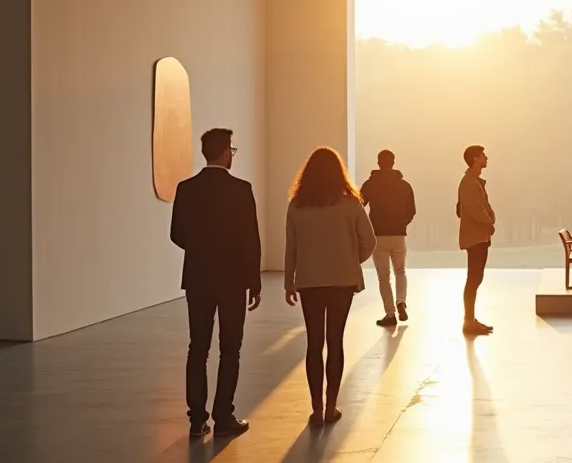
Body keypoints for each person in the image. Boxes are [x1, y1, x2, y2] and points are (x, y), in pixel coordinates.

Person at [170, 128, 262, 439]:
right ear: (225, 153)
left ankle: (197, 419)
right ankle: (224, 416)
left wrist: (200, 250)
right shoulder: (241, 189)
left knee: (198, 348)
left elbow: (176, 234)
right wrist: (255, 281)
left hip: (197, 278)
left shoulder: (186, 188)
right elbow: (251, 238)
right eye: (232, 151)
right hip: (233, 280)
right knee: (230, 350)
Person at [284, 147, 376, 427]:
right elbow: (369, 241)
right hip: (342, 280)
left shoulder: (297, 206)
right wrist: (351, 258)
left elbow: (292, 247)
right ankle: (331, 407)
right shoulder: (351, 204)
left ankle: (315, 409)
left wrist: (289, 280)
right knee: (335, 341)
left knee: (314, 343)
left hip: (310, 281)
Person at [360, 149, 417, 327]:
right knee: (400, 271)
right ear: (393, 163)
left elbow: (359, 205)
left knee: (383, 277)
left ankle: (390, 314)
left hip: (378, 235)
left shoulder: (370, 184)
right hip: (398, 233)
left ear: (378, 163)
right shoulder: (405, 185)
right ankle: (401, 301)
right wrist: (402, 223)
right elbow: (412, 211)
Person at [457, 145, 495, 335]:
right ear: (475, 159)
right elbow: (473, 209)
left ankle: (471, 319)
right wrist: (489, 222)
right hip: (475, 237)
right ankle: (468, 320)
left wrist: (489, 219)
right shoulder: (469, 183)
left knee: (476, 277)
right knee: (473, 278)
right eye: (483, 156)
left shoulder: (474, 182)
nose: (486, 158)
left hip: (480, 236)